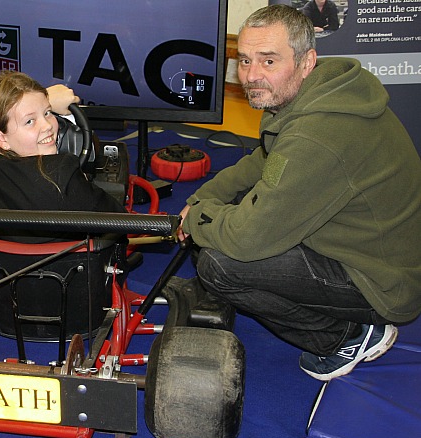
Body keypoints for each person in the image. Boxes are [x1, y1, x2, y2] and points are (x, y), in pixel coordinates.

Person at [178, 5, 421, 381]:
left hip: (381, 282)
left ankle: (347, 336)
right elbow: (263, 160)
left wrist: (196, 219)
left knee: (220, 265)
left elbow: (247, 239)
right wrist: (200, 199)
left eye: (268, 61)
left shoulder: (317, 135)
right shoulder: (311, 94)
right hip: (368, 245)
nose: (251, 75)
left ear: (307, 62)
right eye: (244, 60)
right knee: (225, 224)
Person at [0, 71, 125, 243]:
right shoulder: (63, 174)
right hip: (68, 269)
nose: (47, 126)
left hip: (4, 270)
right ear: (2, 139)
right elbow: (120, 220)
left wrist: (34, 103)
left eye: (47, 113)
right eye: (30, 121)